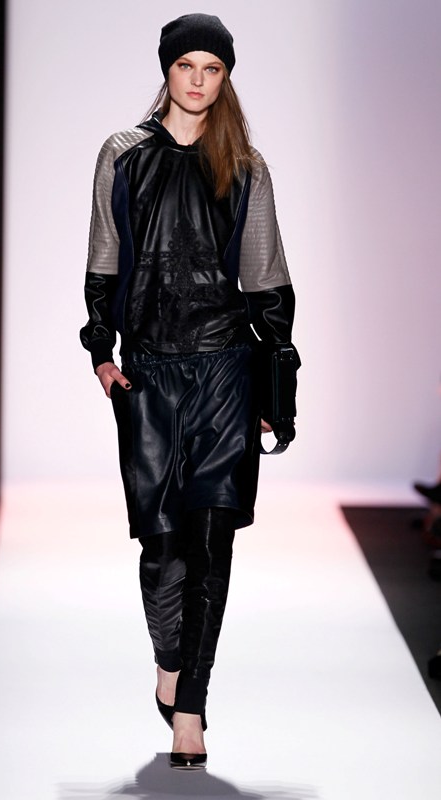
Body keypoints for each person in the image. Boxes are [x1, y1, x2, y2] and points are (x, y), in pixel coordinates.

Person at [80, 13, 300, 769]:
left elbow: (266, 278)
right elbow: (104, 255)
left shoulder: (246, 165)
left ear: (226, 77)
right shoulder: (123, 154)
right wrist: (100, 349)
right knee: (161, 545)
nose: (199, 80)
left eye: (213, 68)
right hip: (149, 371)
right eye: (187, 65)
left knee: (211, 543)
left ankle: (192, 708)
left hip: (224, 371)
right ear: (167, 70)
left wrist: (275, 382)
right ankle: (169, 658)